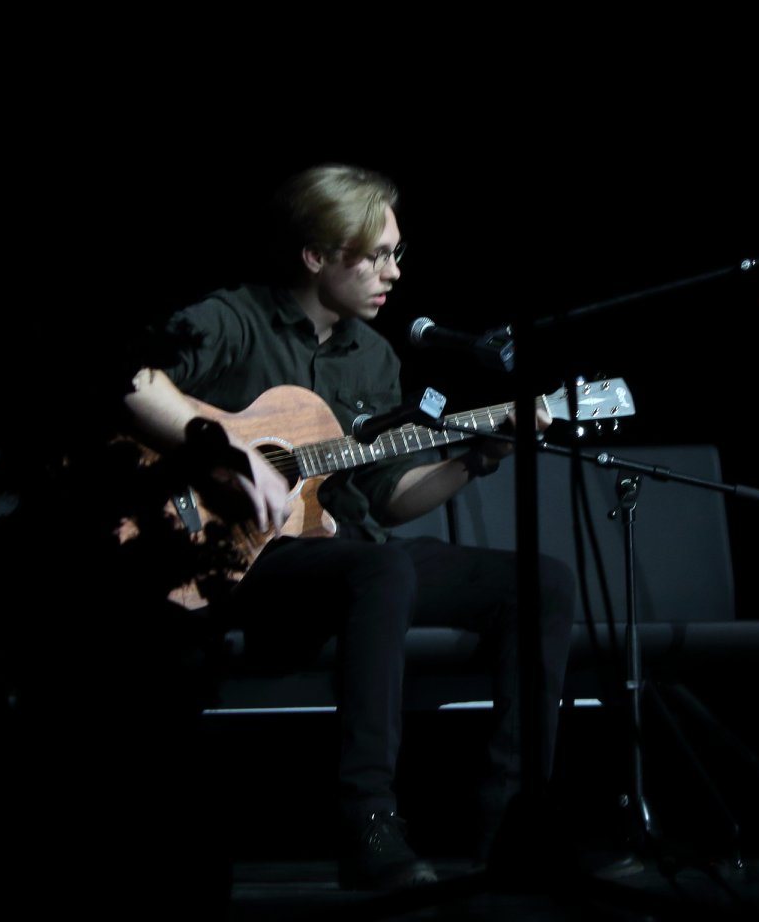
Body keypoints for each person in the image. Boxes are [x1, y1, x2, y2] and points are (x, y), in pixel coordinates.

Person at [123, 162, 576, 892]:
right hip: (235, 558)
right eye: (375, 255)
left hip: (341, 551)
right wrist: (229, 451)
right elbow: (132, 376)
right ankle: (367, 818)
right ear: (316, 255)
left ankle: (516, 825)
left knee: (540, 582)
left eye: (397, 253)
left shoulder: (375, 356)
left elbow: (387, 499)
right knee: (381, 567)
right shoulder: (233, 318)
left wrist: (475, 459)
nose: (393, 272)